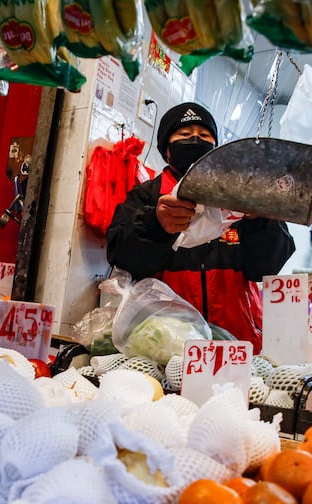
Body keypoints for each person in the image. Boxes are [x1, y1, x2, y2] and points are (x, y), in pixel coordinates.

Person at [106, 102, 296, 353]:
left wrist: (259, 220)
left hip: (236, 346)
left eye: (205, 135)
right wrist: (156, 225)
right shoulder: (147, 196)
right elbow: (122, 256)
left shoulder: (240, 196)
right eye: (184, 135)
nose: (196, 139)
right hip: (164, 346)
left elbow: (266, 268)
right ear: (167, 150)